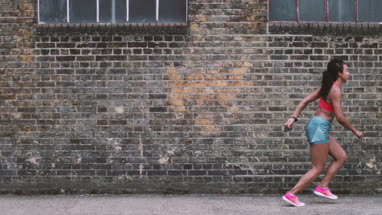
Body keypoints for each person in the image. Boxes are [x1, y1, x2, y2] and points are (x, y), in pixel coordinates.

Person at [282, 59, 364, 207]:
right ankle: (291, 194)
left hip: (320, 126)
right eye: (347, 70)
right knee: (318, 167)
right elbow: (340, 118)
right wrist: (354, 130)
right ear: (339, 74)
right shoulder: (335, 90)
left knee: (341, 156)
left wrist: (293, 118)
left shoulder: (327, 87)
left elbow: (304, 101)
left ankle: (323, 186)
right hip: (319, 127)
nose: (349, 73)